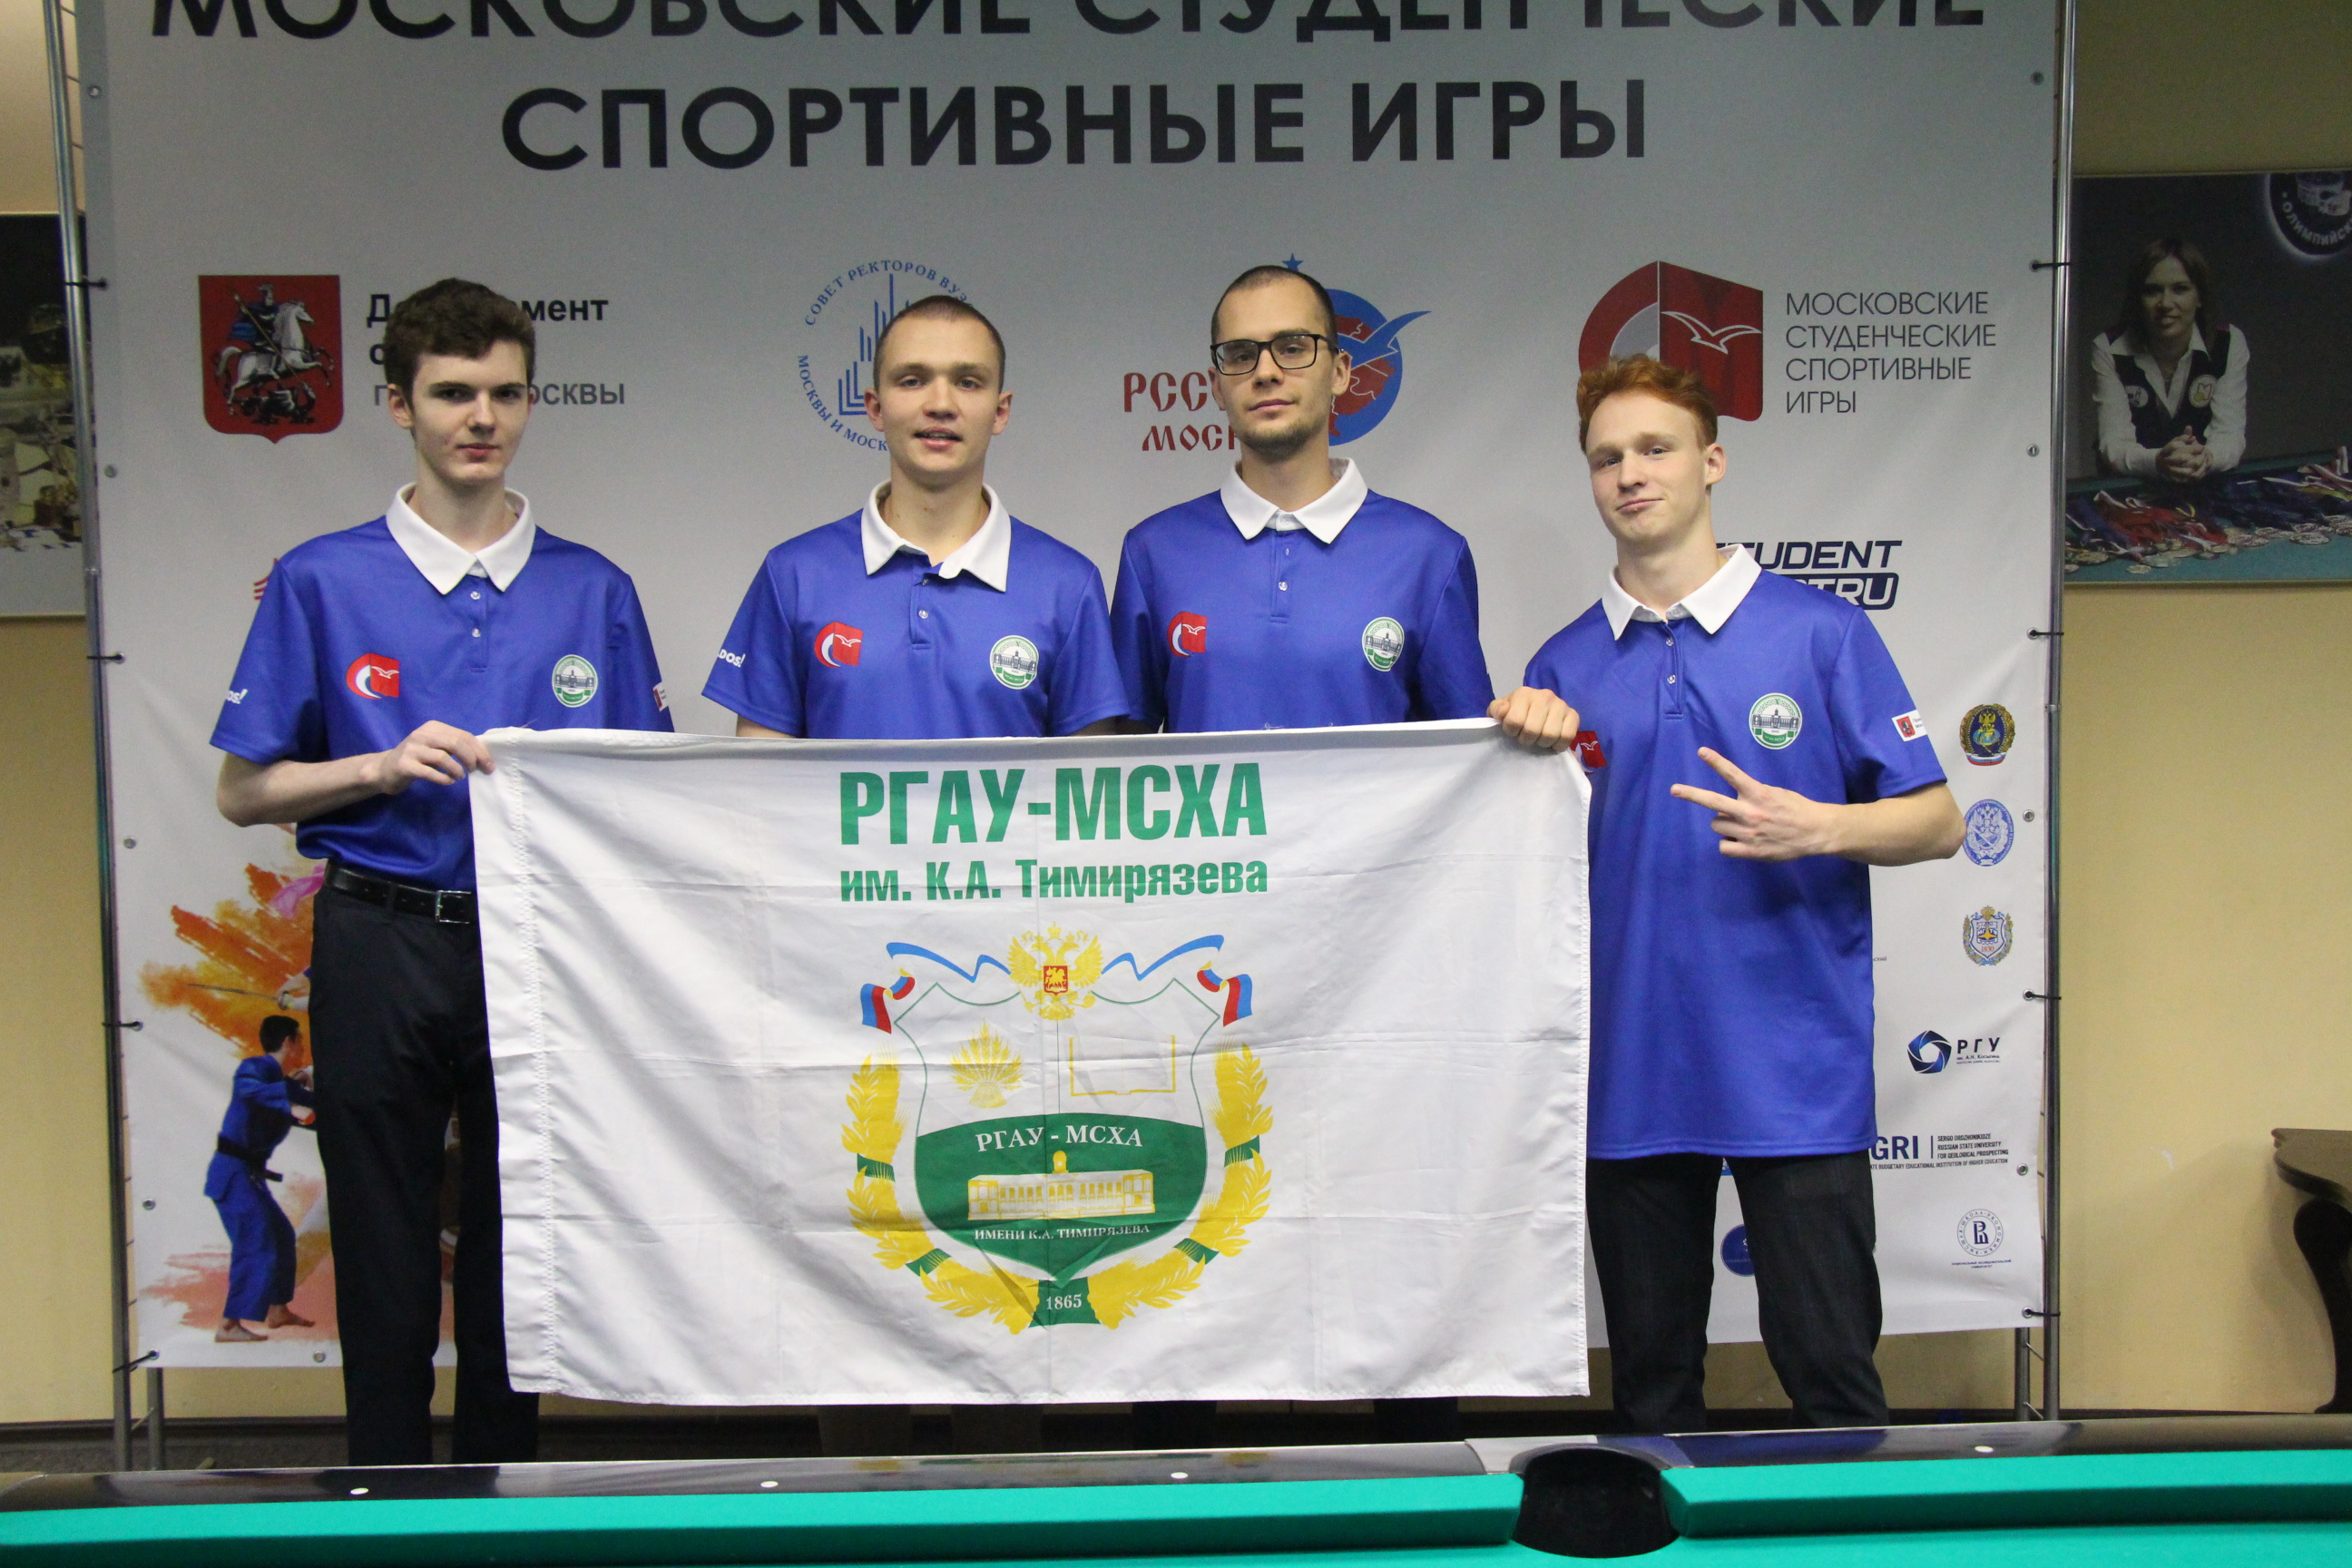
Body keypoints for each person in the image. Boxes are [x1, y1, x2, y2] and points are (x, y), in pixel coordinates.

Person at [211, 279, 674, 1465]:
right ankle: (383, 1492)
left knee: (522, 1234)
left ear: (530, 402)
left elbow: (647, 797)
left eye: (505, 394)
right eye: (454, 393)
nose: (482, 418)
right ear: (397, 404)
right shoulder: (322, 578)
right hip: (379, 933)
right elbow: (243, 791)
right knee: (382, 1234)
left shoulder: (593, 589)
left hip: (539, 944)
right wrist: (376, 765)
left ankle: (498, 1494)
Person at [1492, 355, 1962, 1434]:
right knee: (1653, 1399)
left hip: (1794, 1071)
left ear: (1712, 462)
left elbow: (1937, 820)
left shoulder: (1820, 633)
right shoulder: (1561, 668)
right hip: (1629, 1072)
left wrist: (1822, 826)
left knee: (1834, 1385)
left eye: (1654, 448)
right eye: (1606, 457)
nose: (1629, 474)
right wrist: (1510, 738)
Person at [705, 294, 1125, 1457]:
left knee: (1016, 1267)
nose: (940, 402)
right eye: (913, 378)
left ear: (1003, 407)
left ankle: (1023, 1514)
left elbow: (1093, 824)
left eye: (966, 380)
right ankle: (860, 1513)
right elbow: (753, 802)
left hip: (1016, 1004)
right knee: (859, 1262)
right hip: (843, 999)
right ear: (873, 402)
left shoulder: (1063, 583)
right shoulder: (795, 576)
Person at [1108, 264, 1496, 1447]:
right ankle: (1172, 1503)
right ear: (1214, 380)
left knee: (1388, 1238)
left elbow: (1469, 778)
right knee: (1186, 1243)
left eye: (1292, 348)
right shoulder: (1157, 552)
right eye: (1240, 353)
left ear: (1342, 371)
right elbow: (1111, 782)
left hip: (1376, 979)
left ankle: (1417, 1499)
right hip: (1198, 980)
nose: (1266, 372)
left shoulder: (1426, 553)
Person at [2090, 237, 2248, 482]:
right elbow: (2114, 444)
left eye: (2180, 289)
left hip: (2202, 482)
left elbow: (2229, 434)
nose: (2165, 303)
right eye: (2153, 290)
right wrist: (2159, 461)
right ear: (2138, 298)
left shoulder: (2228, 343)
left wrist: (2207, 458)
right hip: (2130, 489)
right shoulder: (2108, 348)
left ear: (2200, 296)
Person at [205, 1014, 317, 1343]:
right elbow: (248, 1090)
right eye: (300, 1040)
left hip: (249, 1176)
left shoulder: (282, 1085)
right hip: (233, 1174)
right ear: (289, 1042)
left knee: (281, 1237)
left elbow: (315, 1106)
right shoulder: (253, 1069)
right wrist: (291, 1103)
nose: (302, 1047)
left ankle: (277, 1310)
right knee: (256, 1243)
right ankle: (229, 1325)